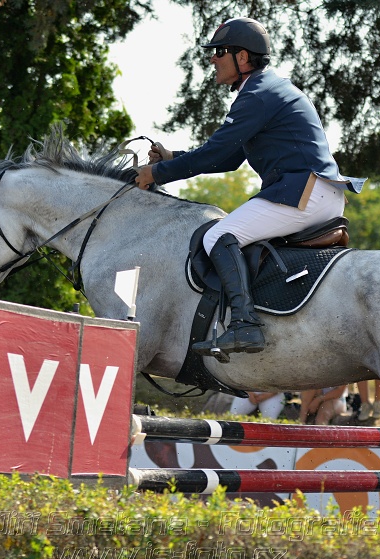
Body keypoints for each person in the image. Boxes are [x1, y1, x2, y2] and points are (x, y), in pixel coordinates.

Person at [135, 17, 365, 356]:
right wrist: (172, 156)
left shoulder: (257, 95)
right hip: (317, 192)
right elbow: (227, 160)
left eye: (219, 52)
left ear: (242, 58)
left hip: (303, 193)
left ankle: (245, 325)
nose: (212, 59)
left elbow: (214, 153)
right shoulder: (265, 90)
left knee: (215, 236)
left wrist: (156, 174)